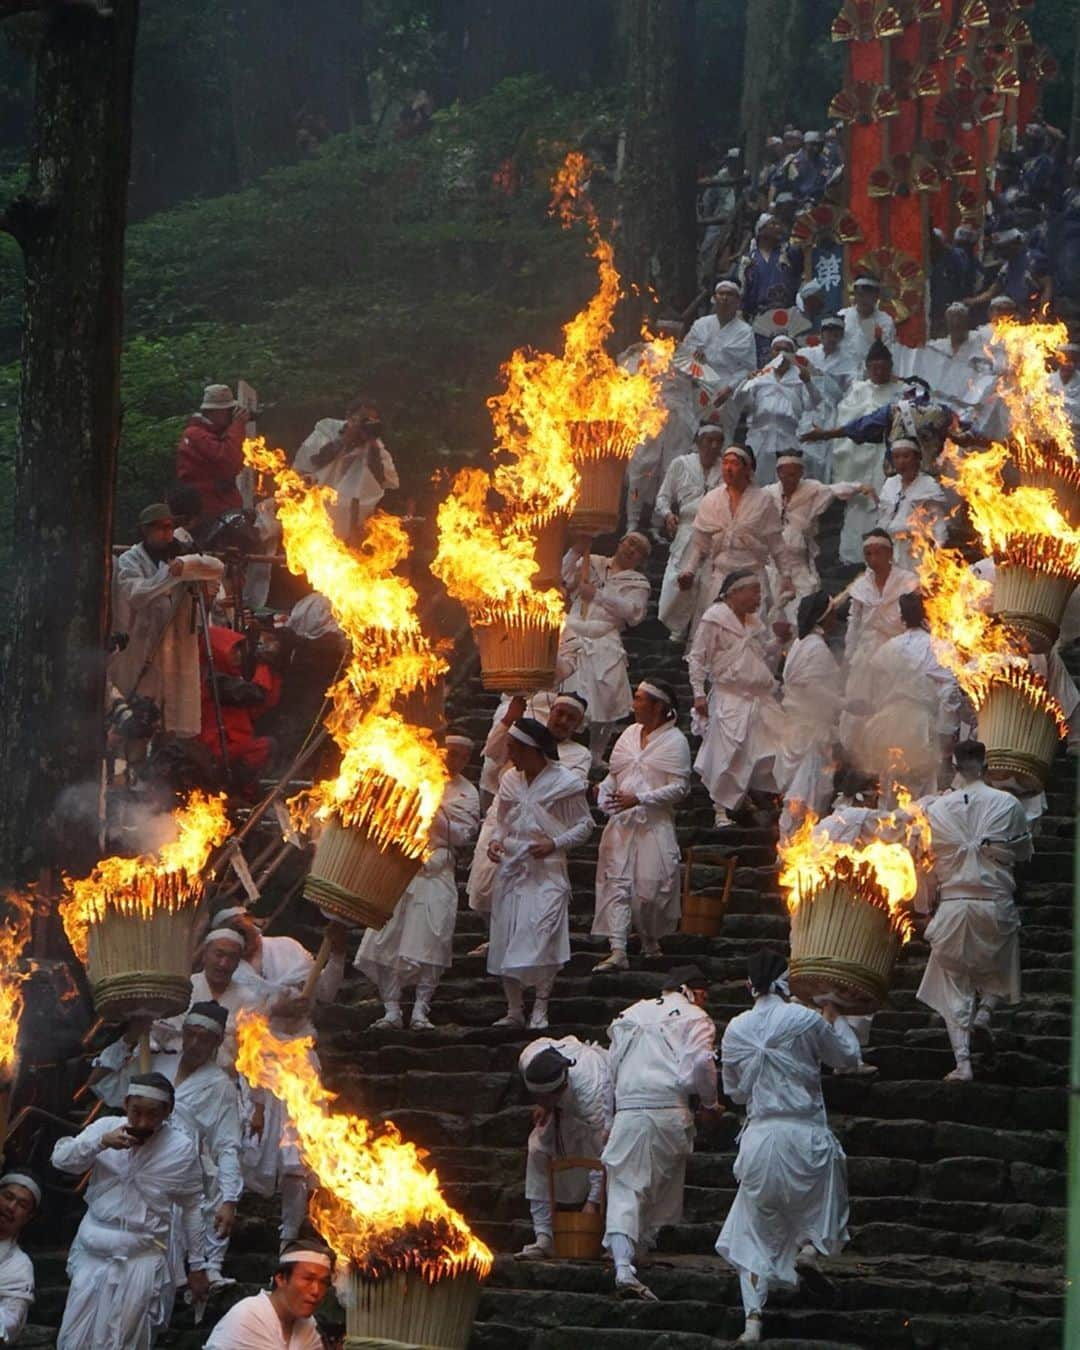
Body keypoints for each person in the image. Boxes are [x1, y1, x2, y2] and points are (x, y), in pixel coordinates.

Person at [716, 949, 860, 1345]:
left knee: (752, 1231)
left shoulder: (735, 1028)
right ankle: (812, 1248)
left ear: (750, 985)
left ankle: (753, 1321)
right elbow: (847, 1056)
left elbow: (734, 1091)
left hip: (760, 1139)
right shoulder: (804, 1018)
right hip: (805, 1134)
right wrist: (832, 1012)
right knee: (828, 1189)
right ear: (786, 982)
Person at [90, 1002, 243, 1291]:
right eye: (192, 1034)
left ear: (218, 1041)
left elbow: (228, 1147)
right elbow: (100, 1083)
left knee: (159, 1266)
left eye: (205, 1037)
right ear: (183, 1032)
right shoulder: (155, 1061)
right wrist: (132, 1037)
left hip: (176, 1173)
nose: (196, 1043)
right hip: (133, 1162)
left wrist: (229, 1200)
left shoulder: (220, 1086)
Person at [214, 915, 346, 1248]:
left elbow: (326, 991)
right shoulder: (232, 972)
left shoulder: (289, 948)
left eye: (246, 923)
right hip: (259, 1068)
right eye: (237, 929)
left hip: (300, 1064)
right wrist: (273, 1011)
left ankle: (289, 1234)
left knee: (296, 1156)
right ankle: (217, 1234)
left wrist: (339, 954)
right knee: (241, 1149)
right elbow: (236, 1022)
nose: (246, 931)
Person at [52, 1072, 210, 1349]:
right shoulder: (106, 1127)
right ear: (125, 1104)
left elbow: (192, 1207)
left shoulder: (181, 1149)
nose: (143, 1122)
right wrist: (100, 1143)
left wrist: (198, 1265)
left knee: (123, 1341)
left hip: (140, 1259)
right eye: (136, 1112)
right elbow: (61, 1161)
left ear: (167, 1112)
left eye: (153, 1115)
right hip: (92, 1255)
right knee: (73, 1338)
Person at [602, 967, 721, 1301]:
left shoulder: (631, 1013)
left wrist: (611, 1114)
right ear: (690, 990)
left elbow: (612, 1067)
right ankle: (636, 1251)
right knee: (658, 1183)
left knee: (627, 1186)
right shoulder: (694, 1015)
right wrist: (710, 1102)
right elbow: (700, 1062)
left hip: (628, 1109)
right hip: (669, 1109)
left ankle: (625, 1261)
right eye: (704, 994)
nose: (705, 1000)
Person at [917, 741, 1033, 1082]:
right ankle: (986, 1011)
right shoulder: (1008, 803)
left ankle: (963, 1062)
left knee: (954, 982)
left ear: (953, 764)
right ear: (985, 764)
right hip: (994, 902)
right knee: (1002, 960)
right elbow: (1024, 851)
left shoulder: (936, 809)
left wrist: (924, 906)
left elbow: (925, 862)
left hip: (954, 904)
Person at [357, 735, 481, 1028]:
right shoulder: (411, 774)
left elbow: (462, 834)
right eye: (450, 753)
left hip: (437, 870)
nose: (453, 759)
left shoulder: (468, 792)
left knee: (432, 939)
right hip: (400, 865)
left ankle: (421, 1010)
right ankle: (391, 1009)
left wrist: (430, 807)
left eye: (461, 756)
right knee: (384, 939)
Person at [486, 718, 594, 1029]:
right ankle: (514, 1008)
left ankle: (540, 1008)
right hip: (512, 869)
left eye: (513, 748)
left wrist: (554, 843)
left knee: (542, 934)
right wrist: (495, 842)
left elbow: (585, 825)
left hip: (546, 871)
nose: (509, 755)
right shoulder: (509, 781)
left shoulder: (565, 782)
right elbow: (502, 821)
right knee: (507, 934)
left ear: (530, 749)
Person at [467, 693, 589, 952]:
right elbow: (492, 753)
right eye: (560, 713)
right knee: (482, 888)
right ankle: (498, 934)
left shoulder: (579, 755)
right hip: (502, 817)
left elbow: (569, 792)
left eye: (571, 718)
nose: (563, 721)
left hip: (540, 832)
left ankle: (517, 943)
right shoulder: (521, 735)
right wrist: (509, 719)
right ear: (550, 712)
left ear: (578, 725)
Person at [592, 680, 691, 969]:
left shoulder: (676, 742)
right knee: (617, 884)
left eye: (638, 698)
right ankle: (618, 949)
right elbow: (615, 775)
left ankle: (649, 938)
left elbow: (680, 788)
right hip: (622, 824)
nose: (633, 704)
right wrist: (604, 792)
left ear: (658, 706)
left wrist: (641, 798)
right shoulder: (628, 734)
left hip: (654, 825)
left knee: (651, 889)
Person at [110, 504, 225, 738]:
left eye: (170, 527)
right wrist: (170, 576)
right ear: (145, 530)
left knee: (178, 712)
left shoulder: (184, 553)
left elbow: (216, 567)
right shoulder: (130, 560)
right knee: (143, 709)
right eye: (160, 528)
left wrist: (187, 565)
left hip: (180, 641)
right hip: (144, 643)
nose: (167, 532)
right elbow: (137, 594)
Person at [688, 570, 785, 829]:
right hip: (729, 697)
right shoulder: (714, 619)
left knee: (772, 747)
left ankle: (755, 797)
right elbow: (697, 657)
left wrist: (778, 641)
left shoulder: (754, 624)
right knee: (725, 755)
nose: (758, 597)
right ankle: (720, 809)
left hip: (757, 699)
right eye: (753, 591)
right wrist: (698, 692)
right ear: (735, 592)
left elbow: (761, 657)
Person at [802, 339, 906, 562]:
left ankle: (888, 557)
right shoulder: (858, 390)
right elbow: (849, 417)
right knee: (860, 504)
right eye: (874, 368)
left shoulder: (902, 390)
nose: (879, 372)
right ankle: (854, 557)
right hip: (859, 455)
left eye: (883, 367)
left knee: (886, 503)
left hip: (888, 456)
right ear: (867, 369)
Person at [857, 591, 961, 800]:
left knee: (889, 789)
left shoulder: (887, 648)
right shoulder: (939, 648)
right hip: (919, 724)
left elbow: (872, 689)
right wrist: (946, 729)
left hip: (886, 724)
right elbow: (949, 694)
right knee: (920, 795)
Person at [515, 1039, 613, 1260]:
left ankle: (609, 1234)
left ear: (562, 1089)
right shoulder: (530, 1057)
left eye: (544, 1097)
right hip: (563, 1105)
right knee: (537, 1148)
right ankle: (544, 1236)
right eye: (535, 1097)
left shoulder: (593, 1097)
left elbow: (604, 1155)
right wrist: (544, 1105)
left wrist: (592, 1202)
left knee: (601, 1155)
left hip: (599, 1116)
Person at [677, 445, 790, 636]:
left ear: (747, 469)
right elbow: (700, 544)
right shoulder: (712, 500)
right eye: (725, 463)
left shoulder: (763, 501)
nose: (728, 468)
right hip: (720, 580)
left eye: (735, 464)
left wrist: (786, 577)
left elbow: (777, 546)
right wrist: (689, 570)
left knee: (749, 634)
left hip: (752, 579)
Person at [560, 533, 652, 767]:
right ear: (620, 542)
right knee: (568, 690)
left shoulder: (638, 583)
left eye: (639, 549)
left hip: (605, 637)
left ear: (641, 558)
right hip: (573, 630)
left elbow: (633, 613)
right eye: (630, 542)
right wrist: (576, 550)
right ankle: (562, 744)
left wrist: (598, 596)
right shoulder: (593, 562)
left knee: (609, 695)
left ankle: (596, 753)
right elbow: (564, 578)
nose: (632, 549)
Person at [774, 592, 844, 838]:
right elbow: (813, 690)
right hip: (809, 734)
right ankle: (792, 846)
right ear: (824, 617)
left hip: (797, 730)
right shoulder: (816, 648)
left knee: (807, 793)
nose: (837, 618)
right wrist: (846, 704)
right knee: (804, 795)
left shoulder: (799, 644)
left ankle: (796, 846)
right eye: (833, 613)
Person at [764, 453, 872, 613]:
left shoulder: (811, 489)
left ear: (801, 473)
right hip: (774, 563)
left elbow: (835, 490)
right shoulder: (769, 492)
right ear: (778, 473)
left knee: (803, 604)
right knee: (773, 609)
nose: (788, 479)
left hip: (798, 562)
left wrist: (859, 487)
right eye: (784, 474)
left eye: (793, 474)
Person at [842, 530, 919, 745]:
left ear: (889, 553)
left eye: (878, 553)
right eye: (868, 554)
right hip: (866, 655)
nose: (873, 559)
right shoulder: (860, 586)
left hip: (897, 652)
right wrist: (849, 654)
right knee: (861, 704)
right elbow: (854, 621)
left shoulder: (907, 581)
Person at [655, 425, 725, 642]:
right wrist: (668, 515)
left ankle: (696, 633)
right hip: (686, 529)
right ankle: (676, 626)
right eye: (708, 440)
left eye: (718, 441)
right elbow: (663, 498)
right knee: (678, 577)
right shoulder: (681, 464)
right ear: (698, 441)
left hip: (715, 533)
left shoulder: (725, 468)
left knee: (705, 582)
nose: (713, 446)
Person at [293, 396, 398, 540]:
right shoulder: (327, 429)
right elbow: (312, 461)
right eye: (363, 419)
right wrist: (344, 440)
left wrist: (372, 444)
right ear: (349, 416)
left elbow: (384, 480)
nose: (366, 424)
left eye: (372, 421)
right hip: (314, 512)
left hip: (350, 524)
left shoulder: (375, 445)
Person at [204, 1239, 333, 1349]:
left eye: (323, 1282)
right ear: (281, 1278)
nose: (316, 1290)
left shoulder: (308, 1327)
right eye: (308, 1279)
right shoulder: (248, 1316)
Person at [728, 335, 821, 485]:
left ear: (793, 354)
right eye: (778, 349)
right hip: (759, 438)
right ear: (772, 352)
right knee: (756, 481)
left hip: (787, 439)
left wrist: (808, 382)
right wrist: (747, 381)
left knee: (785, 484)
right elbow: (741, 402)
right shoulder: (761, 376)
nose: (782, 354)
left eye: (786, 350)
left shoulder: (800, 377)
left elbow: (814, 403)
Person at [176, 385, 249, 524]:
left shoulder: (216, 435)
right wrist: (238, 425)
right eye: (229, 411)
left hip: (222, 507)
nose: (231, 415)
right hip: (208, 511)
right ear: (215, 412)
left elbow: (236, 465)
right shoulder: (195, 434)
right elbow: (228, 459)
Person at [873, 439, 948, 571]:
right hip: (892, 548)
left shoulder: (928, 485)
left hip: (916, 550)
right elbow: (882, 516)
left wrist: (939, 549)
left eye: (906, 456)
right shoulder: (890, 483)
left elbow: (938, 521)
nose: (901, 461)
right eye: (896, 457)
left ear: (917, 458)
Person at [679, 281, 757, 403]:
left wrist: (729, 388)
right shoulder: (700, 324)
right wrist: (694, 359)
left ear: (737, 301)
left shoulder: (745, 331)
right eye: (721, 294)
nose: (725, 298)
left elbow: (748, 368)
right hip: (698, 384)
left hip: (727, 389)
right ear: (714, 299)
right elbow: (684, 354)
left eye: (730, 294)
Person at [0, 1173, 39, 1345]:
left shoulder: (19, 1266)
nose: (11, 1207)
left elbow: (10, 1323)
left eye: (22, 1205)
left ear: (29, 1217)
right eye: (7, 1197)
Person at [837, 277, 897, 364]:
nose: (863, 300)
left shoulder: (885, 320)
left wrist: (867, 323)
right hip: (842, 368)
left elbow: (886, 352)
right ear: (855, 296)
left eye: (868, 296)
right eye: (860, 295)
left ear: (876, 297)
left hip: (871, 371)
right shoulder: (843, 315)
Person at [927, 302, 987, 371]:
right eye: (952, 321)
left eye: (959, 321)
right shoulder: (938, 347)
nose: (955, 322)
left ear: (967, 322)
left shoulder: (980, 340)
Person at [1050, 342, 1080, 445]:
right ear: (1059, 361)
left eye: (1073, 361)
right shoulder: (1047, 380)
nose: (1069, 365)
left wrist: (1060, 400)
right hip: (1049, 434)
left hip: (1075, 436)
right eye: (1066, 360)